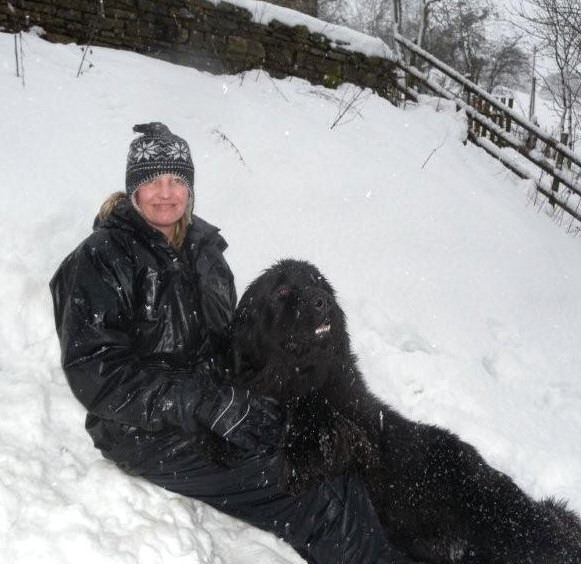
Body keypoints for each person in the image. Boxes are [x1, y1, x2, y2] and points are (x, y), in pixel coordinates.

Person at [50, 122, 415, 563]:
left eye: (176, 181)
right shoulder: (102, 258)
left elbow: (231, 342)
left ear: (190, 188)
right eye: (152, 182)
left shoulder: (206, 250)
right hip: (141, 430)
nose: (165, 193)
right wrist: (203, 403)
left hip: (217, 403)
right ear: (133, 190)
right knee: (310, 489)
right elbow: (97, 374)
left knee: (326, 447)